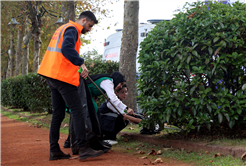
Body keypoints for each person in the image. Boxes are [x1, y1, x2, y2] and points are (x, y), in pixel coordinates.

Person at [37, 11, 104, 161]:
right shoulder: (73, 29)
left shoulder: (62, 28)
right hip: (62, 77)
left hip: (51, 75)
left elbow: (61, 53)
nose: (89, 29)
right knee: (78, 110)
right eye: (90, 25)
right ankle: (83, 147)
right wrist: (81, 62)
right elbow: (67, 50)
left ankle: (54, 150)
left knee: (58, 114)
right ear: (84, 20)